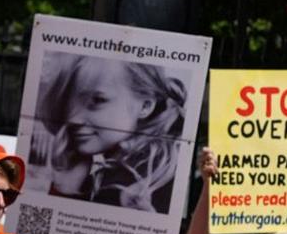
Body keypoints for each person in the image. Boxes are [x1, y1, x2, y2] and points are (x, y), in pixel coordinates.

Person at [30, 54, 188, 210]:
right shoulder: (157, 166)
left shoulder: (128, 185)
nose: (73, 118)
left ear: (145, 106)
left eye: (97, 100)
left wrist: (67, 190)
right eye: (68, 102)